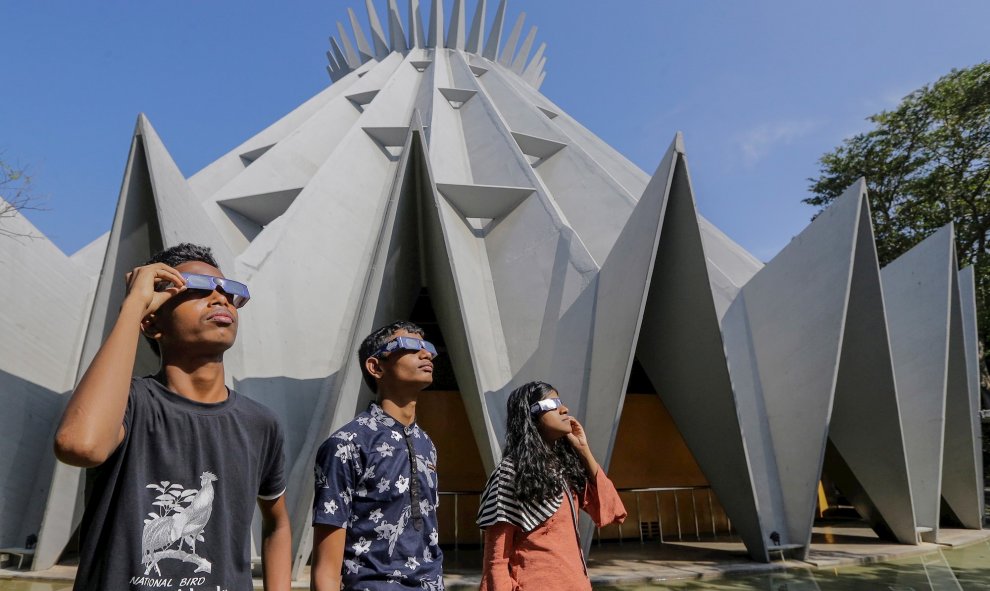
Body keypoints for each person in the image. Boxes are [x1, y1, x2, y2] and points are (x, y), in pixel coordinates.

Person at [53, 243, 290, 591]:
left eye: (228, 291)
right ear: (152, 321)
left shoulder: (260, 424)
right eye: (198, 288)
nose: (220, 298)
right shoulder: (126, 404)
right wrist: (133, 307)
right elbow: (80, 446)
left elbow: (278, 523)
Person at [311, 321, 445, 591]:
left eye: (427, 347)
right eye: (409, 346)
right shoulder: (346, 444)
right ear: (376, 367)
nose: (426, 354)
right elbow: (326, 566)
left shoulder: (426, 444)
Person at [477, 381, 627, 591]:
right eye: (552, 403)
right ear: (531, 417)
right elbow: (496, 561)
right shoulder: (510, 473)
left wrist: (584, 451)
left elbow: (613, 511)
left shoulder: (564, 469)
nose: (564, 409)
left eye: (561, 402)